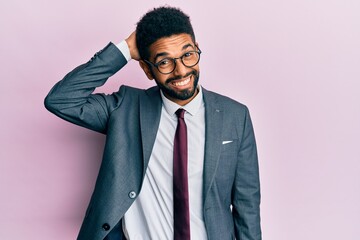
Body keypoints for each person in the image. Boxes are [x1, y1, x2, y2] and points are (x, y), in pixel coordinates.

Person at [44, 6, 261, 240]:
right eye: (164, 62)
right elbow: (61, 100)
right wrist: (125, 50)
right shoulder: (125, 108)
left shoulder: (235, 116)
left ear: (197, 51)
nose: (181, 71)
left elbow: (246, 203)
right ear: (147, 69)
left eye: (188, 55)